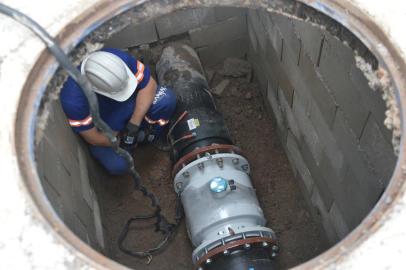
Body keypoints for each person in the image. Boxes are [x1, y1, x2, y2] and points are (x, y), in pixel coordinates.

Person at [60, 48, 176, 175]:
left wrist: (134, 124)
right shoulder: (73, 99)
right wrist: (121, 139)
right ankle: (129, 148)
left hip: (132, 104)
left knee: (166, 99)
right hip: (106, 127)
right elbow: (93, 138)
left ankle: (152, 136)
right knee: (119, 165)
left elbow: (150, 85)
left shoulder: (114, 58)